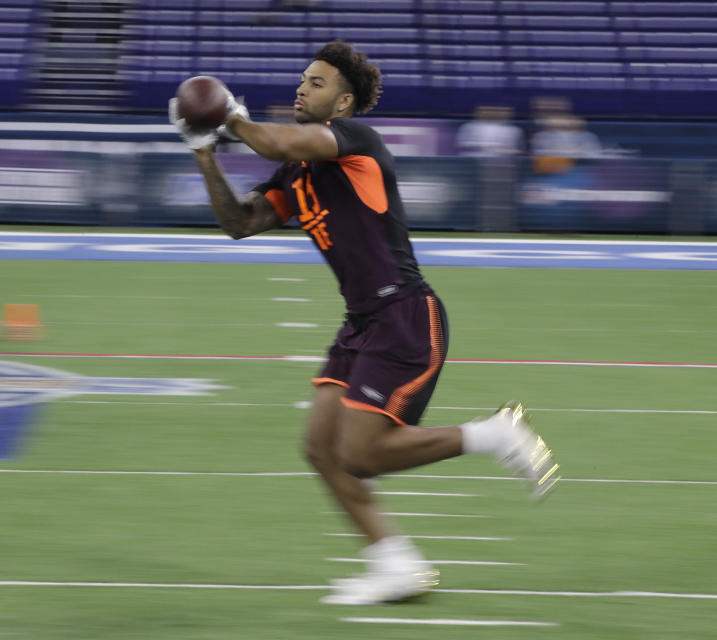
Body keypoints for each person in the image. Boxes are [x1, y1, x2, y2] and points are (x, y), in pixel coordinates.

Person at [169, 41, 560, 606]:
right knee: (320, 448)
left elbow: (274, 137)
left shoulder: (357, 142)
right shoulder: (296, 170)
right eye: (302, 79)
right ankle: (397, 566)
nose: (303, 88)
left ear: (344, 102)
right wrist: (204, 148)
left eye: (318, 83)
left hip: (403, 314)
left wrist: (228, 113)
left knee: (360, 453)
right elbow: (241, 222)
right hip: (362, 322)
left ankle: (495, 434)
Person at [456, 105, 524, 157]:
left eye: (498, 110)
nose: (493, 112)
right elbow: (462, 147)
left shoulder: (514, 130)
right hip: (471, 165)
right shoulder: (468, 127)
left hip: (503, 167)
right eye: (487, 109)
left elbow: (518, 152)